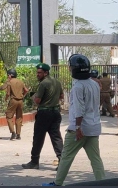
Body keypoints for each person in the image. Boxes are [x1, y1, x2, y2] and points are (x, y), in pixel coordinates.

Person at [42, 54, 106, 186]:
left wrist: (77, 128)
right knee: (95, 159)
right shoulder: (94, 84)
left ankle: (57, 183)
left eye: (70, 68)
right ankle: (103, 183)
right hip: (93, 127)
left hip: (79, 129)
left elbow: (79, 109)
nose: (70, 69)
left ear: (75, 69)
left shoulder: (78, 87)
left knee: (66, 157)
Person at [23, 63, 64, 169]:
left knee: (38, 138)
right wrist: (52, 100)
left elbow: (37, 101)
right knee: (56, 138)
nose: (37, 74)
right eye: (37, 72)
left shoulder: (43, 84)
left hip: (44, 113)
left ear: (46, 73)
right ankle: (62, 161)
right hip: (55, 113)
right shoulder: (57, 82)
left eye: (40, 73)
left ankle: (34, 161)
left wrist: (33, 96)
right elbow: (61, 96)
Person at [6, 68, 29, 140]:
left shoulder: (9, 82)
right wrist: (22, 95)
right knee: (19, 117)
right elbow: (26, 90)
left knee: (9, 116)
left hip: (13, 100)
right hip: (20, 101)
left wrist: (5, 99)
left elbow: (8, 93)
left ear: (10, 75)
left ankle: (13, 132)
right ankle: (18, 134)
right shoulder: (20, 81)